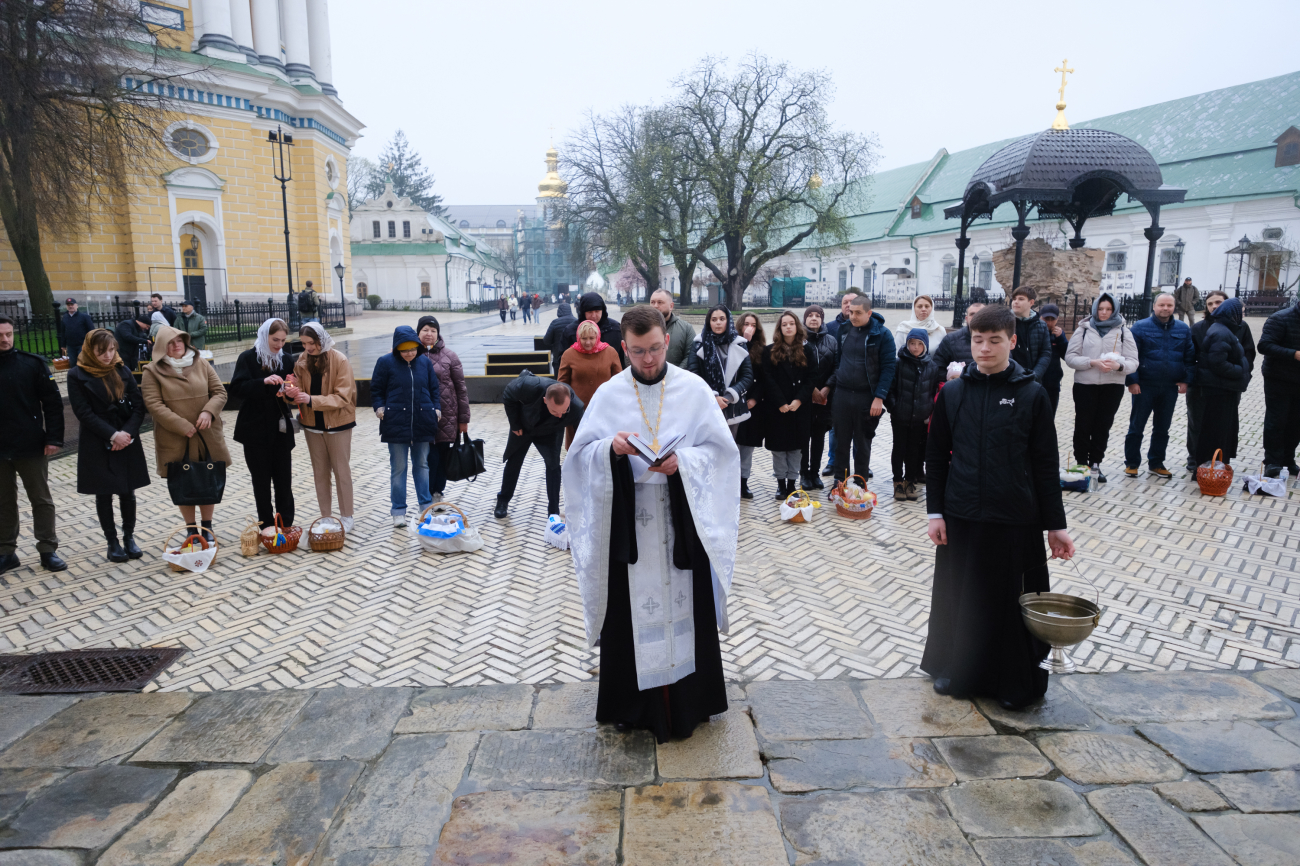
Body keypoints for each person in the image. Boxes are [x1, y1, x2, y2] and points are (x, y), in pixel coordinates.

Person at [562, 304, 738, 743]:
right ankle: (633, 705)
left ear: (667, 342)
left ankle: (689, 703)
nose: (648, 360)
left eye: (656, 349)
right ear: (624, 347)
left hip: (682, 520)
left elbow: (722, 455)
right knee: (629, 614)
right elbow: (579, 458)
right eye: (638, 351)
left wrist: (685, 462)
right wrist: (611, 451)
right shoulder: (608, 394)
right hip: (630, 526)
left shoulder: (694, 389)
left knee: (686, 607)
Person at [922, 304, 1075, 710]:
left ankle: (1012, 679)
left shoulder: (1031, 393)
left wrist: (1055, 525)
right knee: (964, 599)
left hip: (1014, 518)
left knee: (1010, 603)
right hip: (962, 516)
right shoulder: (953, 393)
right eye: (977, 340)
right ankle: (959, 670)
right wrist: (935, 512)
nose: (985, 348)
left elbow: (1045, 464)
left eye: (994, 340)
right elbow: (936, 457)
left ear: (1012, 341)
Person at [140, 326, 230, 541]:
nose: (176, 344)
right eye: (170, 342)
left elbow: (219, 392)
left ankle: (207, 527)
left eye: (180, 340)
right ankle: (191, 528)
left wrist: (209, 412)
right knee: (184, 481)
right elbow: (154, 404)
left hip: (206, 434)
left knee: (208, 478)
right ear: (162, 346)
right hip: (176, 437)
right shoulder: (151, 371)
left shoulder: (201, 364)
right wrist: (181, 425)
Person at [67, 329, 150, 562]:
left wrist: (126, 433)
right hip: (98, 440)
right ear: (90, 350)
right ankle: (112, 541)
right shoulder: (76, 375)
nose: (107, 355)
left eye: (112, 350)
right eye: (101, 351)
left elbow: (138, 406)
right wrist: (113, 435)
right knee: (104, 492)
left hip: (127, 438)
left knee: (127, 490)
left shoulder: (122, 370)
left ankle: (129, 537)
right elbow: (83, 412)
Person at [0, 316, 66, 574]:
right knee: (3, 501)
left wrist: (54, 438)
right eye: (0, 335)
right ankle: (6, 552)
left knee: (40, 499)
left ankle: (48, 549)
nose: (4, 339)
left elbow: (53, 404)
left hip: (31, 445)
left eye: (8, 334)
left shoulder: (33, 364)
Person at [284, 323, 357, 531]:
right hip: (312, 425)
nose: (308, 348)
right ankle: (325, 516)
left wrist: (309, 398)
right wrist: (290, 392)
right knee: (320, 472)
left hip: (339, 424)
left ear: (322, 340)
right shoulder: (301, 360)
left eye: (311, 343)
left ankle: (346, 516)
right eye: (304, 343)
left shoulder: (340, 360)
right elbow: (298, 393)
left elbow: (343, 397)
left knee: (341, 471)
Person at [230, 319, 298, 532]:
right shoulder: (248, 358)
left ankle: (285, 522)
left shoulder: (286, 359)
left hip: (280, 428)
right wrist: (263, 382)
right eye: (275, 339)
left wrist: (290, 390)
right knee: (261, 480)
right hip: (255, 429)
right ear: (264, 336)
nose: (279, 344)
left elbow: (293, 388)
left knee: (283, 479)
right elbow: (237, 388)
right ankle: (267, 524)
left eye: (283, 340)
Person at [1064, 293, 1138, 483]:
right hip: (1085, 385)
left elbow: (1133, 362)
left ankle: (1095, 464)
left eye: (1108, 309)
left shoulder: (1123, 331)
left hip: (1112, 386)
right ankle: (1081, 464)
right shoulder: (1084, 329)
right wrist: (1092, 362)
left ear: (1114, 310)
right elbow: (1070, 358)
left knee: (1102, 426)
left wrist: (1118, 366)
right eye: (1101, 308)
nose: (1104, 313)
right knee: (1083, 425)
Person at [372, 326, 441, 526]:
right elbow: (376, 389)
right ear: (396, 349)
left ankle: (425, 507)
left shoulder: (425, 363)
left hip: (422, 423)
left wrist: (436, 408)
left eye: (412, 349)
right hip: (395, 424)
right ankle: (398, 511)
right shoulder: (385, 363)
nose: (409, 353)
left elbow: (434, 389)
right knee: (398, 468)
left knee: (422, 466)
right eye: (404, 350)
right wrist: (379, 407)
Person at [494, 372, 583, 519]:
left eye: (564, 411)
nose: (561, 415)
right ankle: (503, 501)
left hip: (551, 431)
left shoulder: (576, 407)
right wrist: (515, 424)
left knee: (553, 466)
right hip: (523, 426)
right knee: (514, 461)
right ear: (545, 400)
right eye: (555, 411)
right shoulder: (529, 386)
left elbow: (582, 435)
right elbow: (509, 393)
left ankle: (553, 509)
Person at [1124, 293, 1194, 478]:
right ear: (1154, 306)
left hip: (1170, 387)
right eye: (1162, 305)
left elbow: (1189, 356)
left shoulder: (1183, 329)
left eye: (1169, 305)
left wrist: (1186, 380)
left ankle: (1156, 462)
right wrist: (1132, 381)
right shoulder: (1140, 327)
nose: (1165, 308)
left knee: (1163, 428)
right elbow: (1131, 356)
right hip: (1144, 385)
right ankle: (1132, 463)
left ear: (1174, 307)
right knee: (1136, 426)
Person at [828, 293, 896, 486]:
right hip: (842, 394)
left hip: (867, 397)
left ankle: (860, 483)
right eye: (851, 312)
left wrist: (879, 397)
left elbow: (889, 367)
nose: (853, 316)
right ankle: (839, 482)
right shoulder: (843, 330)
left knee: (863, 442)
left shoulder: (882, 334)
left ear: (869, 313)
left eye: (858, 313)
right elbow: (839, 360)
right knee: (841, 441)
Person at [688, 306, 755, 497]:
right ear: (709, 322)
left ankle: (728, 488)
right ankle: (708, 487)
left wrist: (729, 396)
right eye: (714, 319)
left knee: (730, 448)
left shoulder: (740, 344)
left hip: (732, 407)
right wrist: (713, 396)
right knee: (708, 448)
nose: (718, 323)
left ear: (729, 321)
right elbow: (694, 373)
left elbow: (747, 376)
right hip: (708, 406)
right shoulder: (698, 343)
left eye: (722, 319)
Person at [1187, 290, 1255, 472]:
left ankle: (1217, 461)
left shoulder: (1241, 327)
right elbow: (1194, 357)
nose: (1214, 306)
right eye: (1210, 304)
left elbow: (1249, 353)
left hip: (1230, 386)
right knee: (1199, 423)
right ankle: (1196, 460)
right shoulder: (1199, 328)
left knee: (1223, 426)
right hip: (1205, 386)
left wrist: (1244, 374)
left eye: (1218, 302)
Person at [417, 316, 470, 503]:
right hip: (421, 416)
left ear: (438, 333)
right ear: (418, 332)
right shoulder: (410, 354)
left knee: (441, 456)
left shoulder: (450, 356)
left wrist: (463, 419)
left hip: (446, 416)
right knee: (425, 458)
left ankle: (437, 491)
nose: (429, 334)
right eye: (425, 330)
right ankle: (425, 493)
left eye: (433, 330)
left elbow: (461, 389)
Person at [761, 311, 813, 500]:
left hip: (799, 408)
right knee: (779, 450)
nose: (788, 327)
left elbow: (811, 378)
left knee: (796, 449)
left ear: (797, 326)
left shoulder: (807, 350)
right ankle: (780, 484)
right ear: (780, 328)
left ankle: (792, 484)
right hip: (778, 409)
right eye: (784, 324)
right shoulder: (770, 351)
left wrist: (799, 400)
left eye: (792, 323)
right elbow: (767, 379)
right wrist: (780, 402)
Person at [887, 328, 934, 502]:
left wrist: (927, 409)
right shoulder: (898, 363)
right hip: (900, 415)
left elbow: (932, 391)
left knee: (914, 450)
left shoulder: (931, 365)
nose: (915, 347)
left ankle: (910, 480)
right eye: (912, 343)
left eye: (919, 344)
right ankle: (898, 481)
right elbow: (890, 389)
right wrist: (894, 407)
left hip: (919, 417)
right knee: (899, 448)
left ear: (925, 346)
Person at [558, 320, 622, 449]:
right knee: (578, 446)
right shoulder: (569, 354)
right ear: (578, 337)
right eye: (584, 338)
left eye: (592, 338)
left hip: (604, 407)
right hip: (577, 409)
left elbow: (619, 381)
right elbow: (562, 383)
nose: (588, 342)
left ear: (597, 337)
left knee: (602, 446)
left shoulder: (610, 352)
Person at [1259, 294, 1300, 478]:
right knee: (1277, 420)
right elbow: (1264, 346)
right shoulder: (1280, 318)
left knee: (1296, 422)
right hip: (1278, 378)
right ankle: (1273, 462)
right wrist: (1294, 354)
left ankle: (1288, 459)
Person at [801, 305, 838, 491]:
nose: (814, 319)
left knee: (818, 437)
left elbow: (837, 366)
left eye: (818, 316)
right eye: (810, 315)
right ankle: (803, 473)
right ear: (805, 318)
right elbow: (797, 369)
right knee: (803, 437)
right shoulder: (799, 340)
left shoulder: (831, 340)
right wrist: (812, 389)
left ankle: (815, 473)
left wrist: (827, 387)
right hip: (804, 398)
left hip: (825, 398)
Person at [731, 313, 766, 499]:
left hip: (752, 405)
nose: (749, 328)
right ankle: (730, 482)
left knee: (746, 447)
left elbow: (763, 379)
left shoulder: (761, 350)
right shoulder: (732, 345)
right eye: (746, 324)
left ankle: (743, 482)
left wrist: (754, 399)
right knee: (732, 444)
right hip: (734, 402)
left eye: (753, 324)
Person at [928, 301, 986, 385]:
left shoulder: (996, 341)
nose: (976, 317)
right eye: (972, 314)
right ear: (966, 318)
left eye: (980, 314)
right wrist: (952, 384)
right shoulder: (951, 339)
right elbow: (938, 366)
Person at [562, 292, 625, 366]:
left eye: (597, 311)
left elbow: (621, 359)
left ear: (603, 311)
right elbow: (562, 360)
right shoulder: (571, 331)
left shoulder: (615, 329)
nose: (594, 315)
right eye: (590, 312)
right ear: (583, 312)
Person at [1009, 287, 1052, 382]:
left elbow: (1045, 353)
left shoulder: (1041, 325)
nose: (1015, 302)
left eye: (1021, 299)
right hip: (1009, 378)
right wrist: (1012, 373)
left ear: (1031, 302)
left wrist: (1035, 375)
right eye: (1014, 299)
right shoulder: (1004, 323)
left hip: (1033, 379)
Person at [649, 289, 696, 369]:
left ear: (671, 306)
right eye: (652, 302)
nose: (655, 306)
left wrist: (674, 375)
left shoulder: (686, 329)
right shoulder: (640, 328)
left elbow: (690, 355)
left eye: (660, 302)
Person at [1038, 304, 1069, 415]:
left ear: (1057, 319)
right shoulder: (1035, 332)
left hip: (1053, 383)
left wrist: (1061, 339)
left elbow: (1067, 356)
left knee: (1050, 415)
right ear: (1040, 317)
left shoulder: (1059, 335)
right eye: (1046, 319)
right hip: (1036, 381)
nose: (1049, 323)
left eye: (1052, 319)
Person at [543, 300, 577, 374]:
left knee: (559, 383)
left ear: (559, 311)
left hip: (558, 358)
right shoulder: (577, 322)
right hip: (575, 359)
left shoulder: (555, 323)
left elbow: (546, 341)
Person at [58, 298, 95, 363]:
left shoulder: (84, 317)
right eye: (68, 305)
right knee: (73, 364)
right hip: (71, 346)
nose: (70, 306)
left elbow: (91, 331)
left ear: (76, 306)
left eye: (72, 304)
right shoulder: (65, 318)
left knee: (83, 363)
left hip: (82, 345)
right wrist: (63, 345)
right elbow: (63, 332)